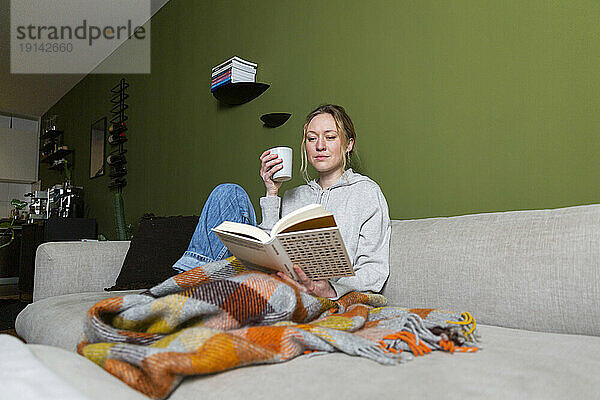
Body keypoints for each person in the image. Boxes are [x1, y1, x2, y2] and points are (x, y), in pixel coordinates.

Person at [172, 104, 391, 299]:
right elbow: (267, 253)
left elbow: (373, 270)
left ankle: (185, 295)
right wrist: (271, 192)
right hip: (274, 280)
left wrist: (331, 290)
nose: (320, 146)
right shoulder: (293, 195)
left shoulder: (367, 193)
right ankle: (186, 283)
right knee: (228, 193)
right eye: (312, 138)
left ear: (348, 144)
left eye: (330, 137)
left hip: (317, 294)